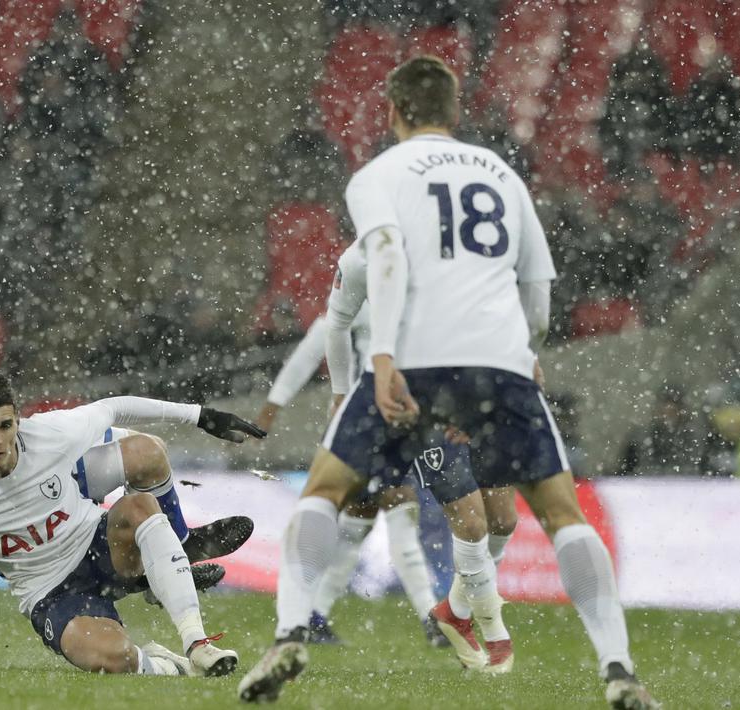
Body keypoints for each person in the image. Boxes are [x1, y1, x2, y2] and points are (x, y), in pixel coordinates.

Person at [239, 56, 659, 710]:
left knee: (323, 491)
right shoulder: (503, 177)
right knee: (558, 514)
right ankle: (617, 669)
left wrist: (380, 357)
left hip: (411, 360)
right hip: (497, 361)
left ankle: (290, 631)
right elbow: (537, 291)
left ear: (392, 111)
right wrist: (527, 349)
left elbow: (380, 257)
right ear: (454, 113)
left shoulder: (377, 174)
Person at [0, 224, 255, 577]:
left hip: (26, 452)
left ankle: (174, 551)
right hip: (4, 487)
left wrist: (200, 415)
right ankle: (153, 570)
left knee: (149, 455)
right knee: (106, 556)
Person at [0, 368, 266, 675]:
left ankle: (196, 641)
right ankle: (171, 664)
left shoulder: (51, 434)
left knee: (143, 488)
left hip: (100, 547)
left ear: (18, 421)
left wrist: (200, 415)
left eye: (5, 425)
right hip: (50, 592)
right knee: (113, 658)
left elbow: (114, 406)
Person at [255, 294, 448, 648]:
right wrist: (273, 404)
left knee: (362, 520)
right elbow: (315, 346)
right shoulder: (366, 293)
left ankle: (314, 615)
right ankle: (432, 619)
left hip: (402, 421)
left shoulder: (416, 292)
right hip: (362, 424)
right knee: (397, 506)